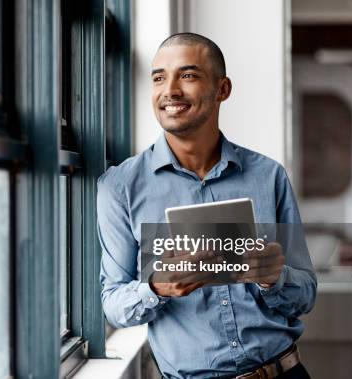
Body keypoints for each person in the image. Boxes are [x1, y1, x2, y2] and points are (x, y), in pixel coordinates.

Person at [97, 33, 317, 379]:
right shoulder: (120, 187)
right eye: (158, 77)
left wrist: (274, 277)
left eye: (188, 75)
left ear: (222, 89)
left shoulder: (269, 176)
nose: (169, 90)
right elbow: (113, 305)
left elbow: (305, 295)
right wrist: (156, 288)